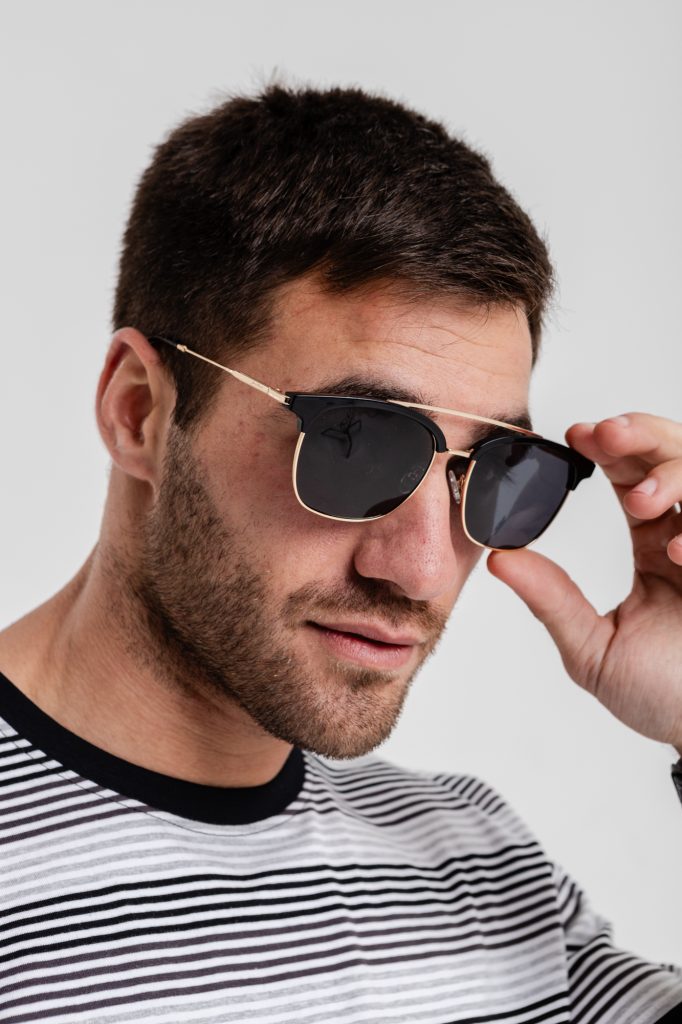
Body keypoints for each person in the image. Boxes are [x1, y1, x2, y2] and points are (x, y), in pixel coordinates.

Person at [0, 84, 680, 1024]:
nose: (424, 569)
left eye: (494, 469)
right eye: (354, 445)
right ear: (140, 412)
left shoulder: (479, 867)